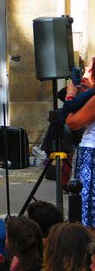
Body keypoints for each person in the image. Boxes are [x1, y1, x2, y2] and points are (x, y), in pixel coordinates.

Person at [66, 63, 95, 227]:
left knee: (85, 209)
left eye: (90, 71)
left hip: (91, 154)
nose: (85, 75)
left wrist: (71, 95)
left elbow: (72, 122)